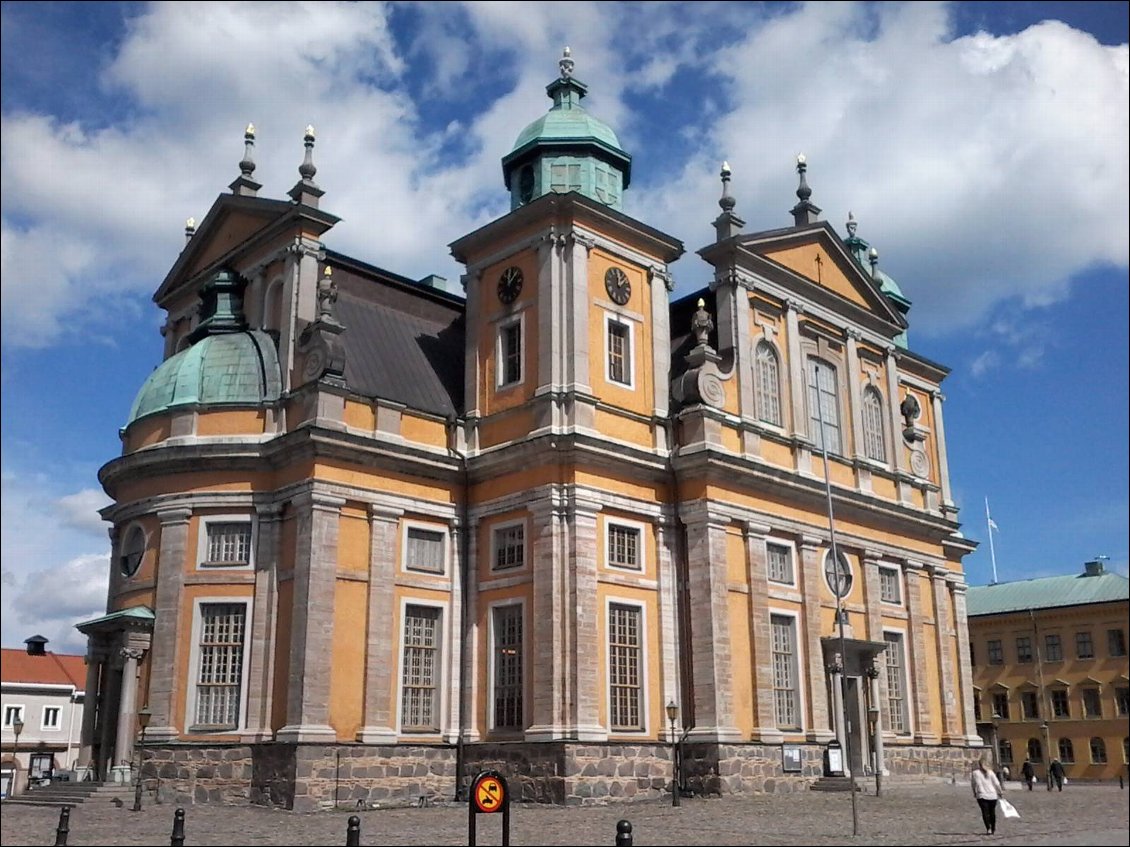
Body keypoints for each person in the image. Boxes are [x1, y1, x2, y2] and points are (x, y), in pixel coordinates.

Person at [971, 753, 1006, 835]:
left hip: (981, 795)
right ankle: (993, 828)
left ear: (979, 764)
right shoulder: (991, 772)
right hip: (993, 795)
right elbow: (997, 784)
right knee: (992, 812)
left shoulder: (975, 773)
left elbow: (973, 784)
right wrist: (1000, 792)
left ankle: (988, 828)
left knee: (985, 812)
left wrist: (974, 792)